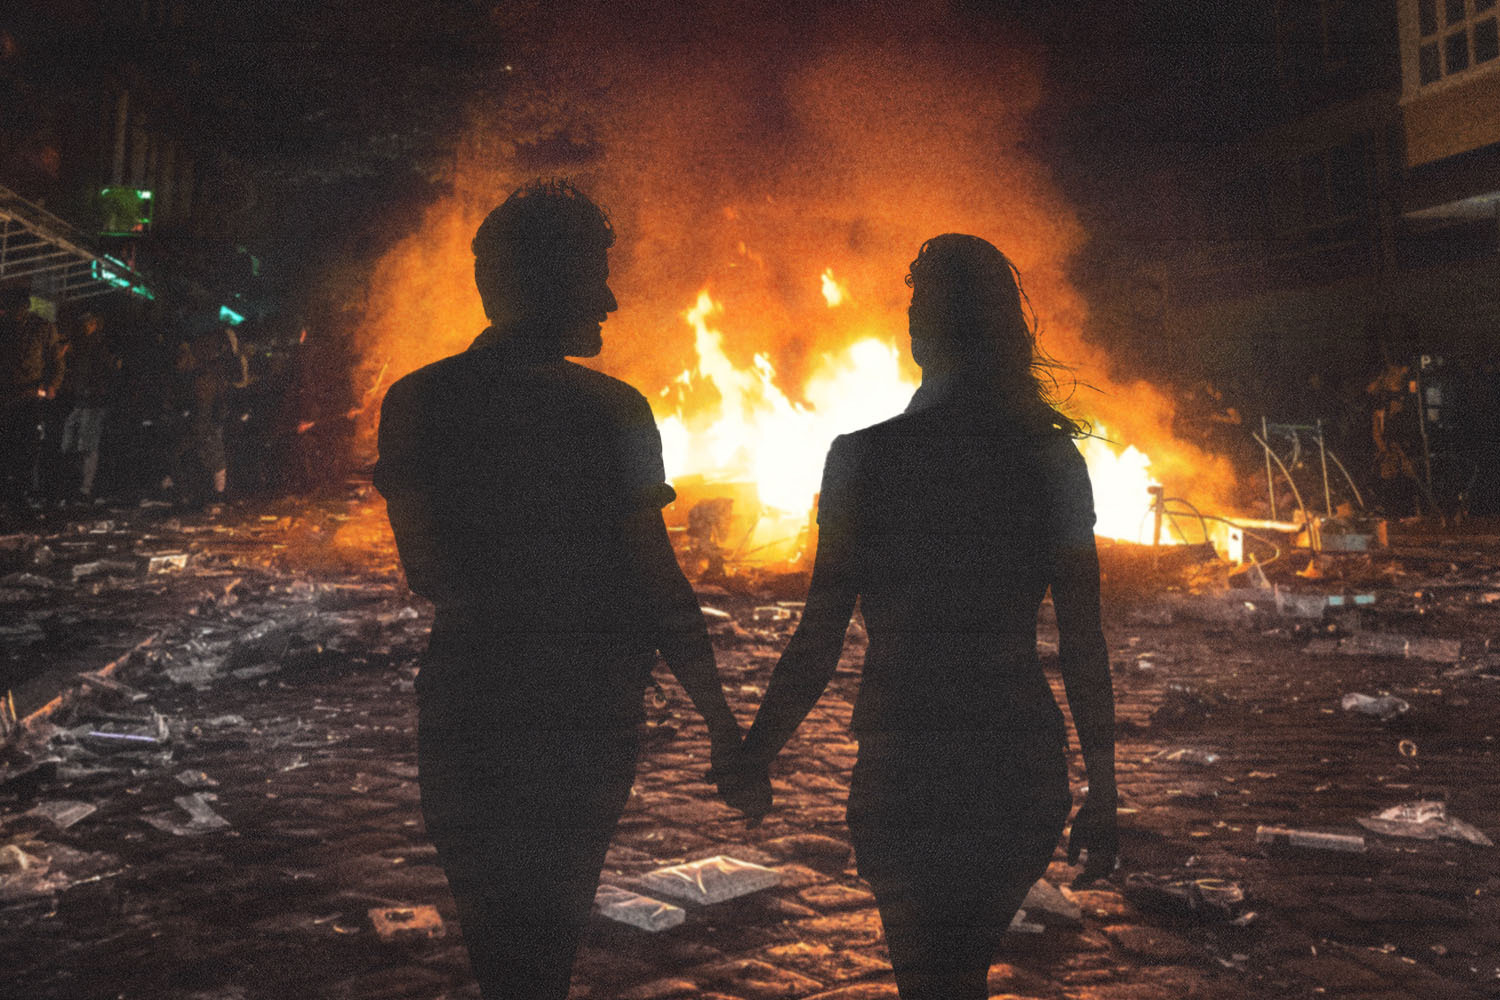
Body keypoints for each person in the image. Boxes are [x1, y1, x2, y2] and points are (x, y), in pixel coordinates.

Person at [373, 179, 743, 1000]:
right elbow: (659, 587)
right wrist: (722, 724)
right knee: (552, 931)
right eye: (594, 273)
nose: (609, 298)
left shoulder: (417, 402)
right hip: (583, 708)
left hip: (469, 702)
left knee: (495, 943)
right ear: (543, 280)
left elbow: (428, 572)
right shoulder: (611, 412)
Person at [724, 234, 1119, 1000]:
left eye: (917, 303)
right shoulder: (1050, 459)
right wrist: (1104, 792)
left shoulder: (865, 460)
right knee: (960, 969)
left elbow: (820, 633)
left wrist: (755, 752)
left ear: (930, 328)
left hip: (909, 761)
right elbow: (1082, 644)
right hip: (1017, 763)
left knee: (930, 978)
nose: (907, 318)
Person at [0, 288, 64, 505]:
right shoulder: (5, 327)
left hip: (29, 394)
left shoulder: (42, 327)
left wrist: (52, 385)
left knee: (26, 445)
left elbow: (56, 361)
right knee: (7, 444)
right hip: (7, 394)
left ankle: (21, 490)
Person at [58, 310, 117, 501]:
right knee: (75, 443)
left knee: (87, 446)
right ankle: (80, 486)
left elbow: (100, 373)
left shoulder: (96, 347)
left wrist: (93, 390)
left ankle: (84, 488)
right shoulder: (85, 346)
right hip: (83, 400)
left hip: (91, 401)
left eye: (88, 323)